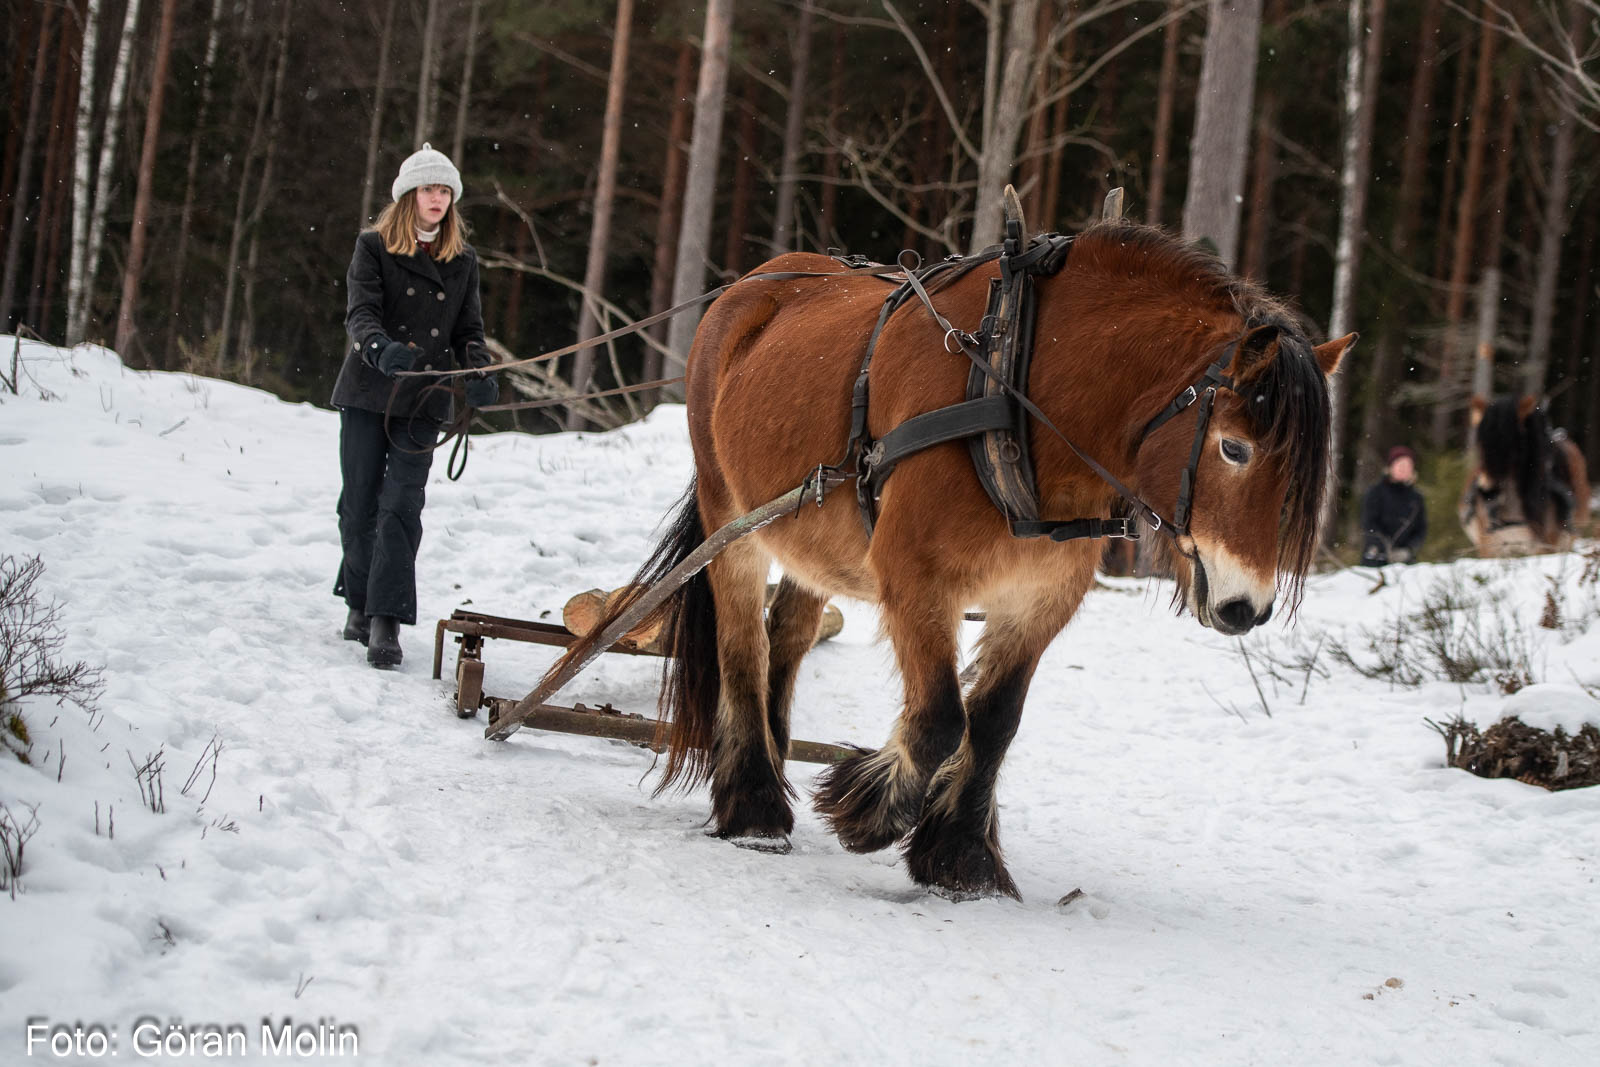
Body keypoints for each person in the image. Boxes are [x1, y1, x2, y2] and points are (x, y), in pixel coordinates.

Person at [331, 143, 499, 668]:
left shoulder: (462, 260)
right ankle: (359, 600)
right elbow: (360, 314)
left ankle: (386, 619)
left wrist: (478, 372)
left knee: (401, 506)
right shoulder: (373, 247)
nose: (438, 198)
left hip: (426, 398)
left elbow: (469, 331)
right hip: (369, 392)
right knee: (359, 504)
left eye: (445, 190)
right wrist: (380, 348)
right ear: (409, 195)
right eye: (429, 188)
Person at [1360, 445, 1427, 566]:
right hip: (1375, 559)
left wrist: (1408, 550)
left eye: (1408, 465)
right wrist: (1384, 547)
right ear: (1391, 467)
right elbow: (1369, 523)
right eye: (1400, 464)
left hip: (1405, 562)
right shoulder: (1375, 492)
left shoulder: (1416, 498)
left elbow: (1421, 529)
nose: (1404, 469)